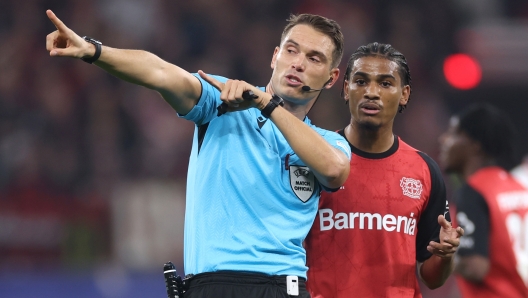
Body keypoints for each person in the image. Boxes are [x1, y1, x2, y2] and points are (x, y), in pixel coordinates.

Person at [45, 10, 352, 298]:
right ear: (275, 56)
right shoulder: (223, 102)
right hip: (210, 285)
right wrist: (93, 50)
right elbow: (162, 73)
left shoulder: (328, 143)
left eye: (314, 58)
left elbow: (335, 170)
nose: (298, 63)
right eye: (291, 50)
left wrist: (265, 104)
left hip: (282, 286)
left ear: (331, 78)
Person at [304, 42, 464, 298]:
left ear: (404, 94)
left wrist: (446, 256)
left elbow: (431, 278)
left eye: (385, 83)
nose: (371, 92)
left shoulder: (425, 171)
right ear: (346, 89)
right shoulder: (315, 158)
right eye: (361, 81)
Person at [439, 104, 528, 297]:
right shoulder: (520, 188)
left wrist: (435, 256)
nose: (444, 140)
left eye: (454, 134)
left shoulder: (473, 192)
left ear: (475, 145)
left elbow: (475, 266)